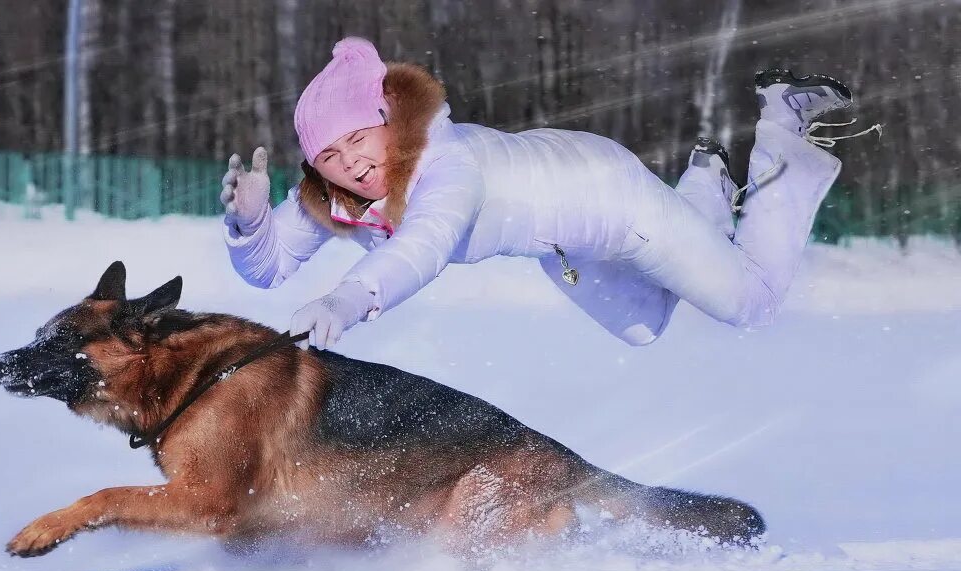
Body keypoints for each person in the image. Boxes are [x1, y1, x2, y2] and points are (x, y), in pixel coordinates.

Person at [219, 37, 878, 349]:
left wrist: (348, 297)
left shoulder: (449, 166)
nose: (351, 164)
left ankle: (783, 127)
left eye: (358, 138)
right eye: (330, 157)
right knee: (644, 327)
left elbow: (423, 246)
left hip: (613, 199)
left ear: (388, 119)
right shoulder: (340, 195)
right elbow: (269, 268)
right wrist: (251, 226)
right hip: (562, 243)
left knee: (751, 304)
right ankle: (706, 178)